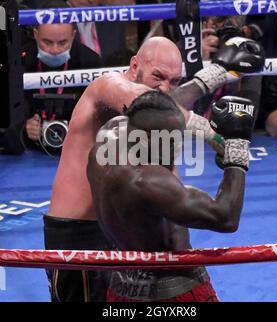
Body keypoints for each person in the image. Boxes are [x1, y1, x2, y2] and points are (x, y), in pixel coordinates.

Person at [45, 36, 264, 302]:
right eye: (158, 76)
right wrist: (215, 76)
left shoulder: (149, 128)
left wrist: (223, 145)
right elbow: (150, 101)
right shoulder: (107, 85)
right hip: (78, 233)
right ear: (134, 65)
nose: (165, 88)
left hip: (122, 238)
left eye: (174, 81)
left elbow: (160, 109)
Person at [87, 91, 255, 302]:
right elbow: (225, 217)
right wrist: (237, 149)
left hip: (122, 285)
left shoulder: (106, 141)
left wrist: (206, 128)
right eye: (173, 142)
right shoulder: (146, 181)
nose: (177, 150)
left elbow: (152, 111)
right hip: (173, 290)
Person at [22, 22, 102, 148]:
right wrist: (22, 127)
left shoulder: (91, 62)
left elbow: (100, 115)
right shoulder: (19, 62)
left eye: (62, 43)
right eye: (47, 42)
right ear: (35, 34)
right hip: (28, 149)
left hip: (78, 147)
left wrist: (81, 127)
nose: (55, 50)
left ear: (73, 36)